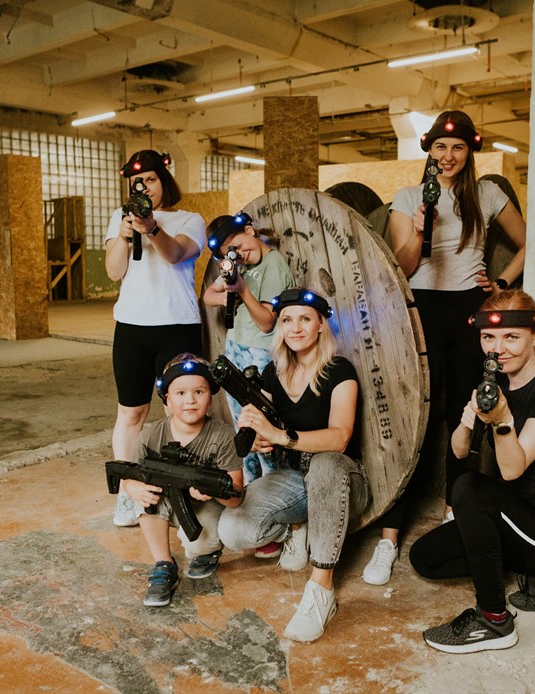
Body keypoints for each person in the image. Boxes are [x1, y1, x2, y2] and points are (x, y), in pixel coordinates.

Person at [364, 111, 528, 587]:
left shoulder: (488, 195)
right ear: (429, 151)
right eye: (440, 147)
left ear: (469, 152)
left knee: (463, 414)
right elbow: (402, 266)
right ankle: (389, 538)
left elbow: (529, 241)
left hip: (468, 311)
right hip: (421, 311)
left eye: (457, 148)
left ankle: (455, 516)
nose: (449, 155)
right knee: (413, 417)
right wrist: (418, 229)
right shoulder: (408, 196)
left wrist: (501, 283)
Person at [409, 290, 535, 652]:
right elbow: (459, 451)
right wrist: (469, 420)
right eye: (488, 337)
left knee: (469, 487)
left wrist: (502, 420)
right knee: (426, 557)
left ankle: (494, 621)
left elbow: (512, 470)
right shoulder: (495, 386)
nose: (498, 349)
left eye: (511, 337)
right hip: (514, 524)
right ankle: (530, 569)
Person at [216, 289, 371, 643]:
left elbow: (339, 437)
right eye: (287, 320)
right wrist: (259, 436)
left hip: (342, 481)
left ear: (321, 325)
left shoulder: (339, 371)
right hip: (295, 479)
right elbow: (265, 426)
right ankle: (297, 525)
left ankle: (321, 589)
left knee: (327, 464)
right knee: (232, 529)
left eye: (305, 319)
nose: (295, 327)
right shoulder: (274, 372)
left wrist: (281, 436)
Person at [104, 150, 207, 529]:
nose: (145, 186)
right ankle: (128, 491)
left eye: (151, 179)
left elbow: (175, 254)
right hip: (131, 328)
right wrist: (124, 234)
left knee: (181, 413)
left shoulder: (190, 220)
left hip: (177, 326)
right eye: (138, 182)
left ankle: (181, 491)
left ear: (164, 180)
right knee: (131, 413)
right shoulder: (119, 218)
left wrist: (151, 229)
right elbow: (114, 271)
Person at [117, 354, 244, 607]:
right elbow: (128, 476)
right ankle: (164, 564)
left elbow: (236, 498)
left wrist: (213, 491)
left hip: (204, 507)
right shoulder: (152, 435)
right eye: (181, 393)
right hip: (167, 500)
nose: (190, 400)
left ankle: (208, 552)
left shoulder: (223, 435)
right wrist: (133, 487)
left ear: (210, 397)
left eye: (199, 392)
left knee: (199, 546)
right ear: (167, 398)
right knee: (145, 497)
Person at [202, 211, 294, 483]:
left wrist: (242, 291)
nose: (240, 254)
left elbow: (266, 322)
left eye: (239, 246)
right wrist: (228, 297)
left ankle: (272, 485)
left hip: (261, 354)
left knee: (262, 424)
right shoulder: (237, 264)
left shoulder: (273, 264)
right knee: (242, 424)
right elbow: (208, 295)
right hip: (236, 349)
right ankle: (251, 486)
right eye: (232, 253)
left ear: (250, 231)